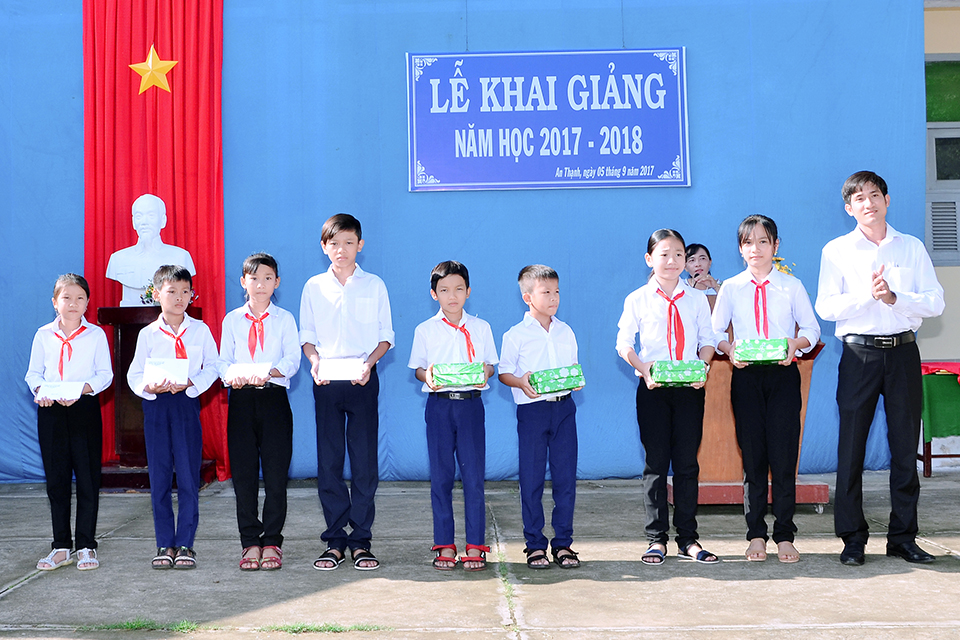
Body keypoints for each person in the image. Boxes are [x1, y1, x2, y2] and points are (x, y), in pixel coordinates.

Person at [816, 171, 945, 566]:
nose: (868, 203)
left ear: (887, 200)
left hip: (903, 353)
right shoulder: (836, 251)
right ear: (848, 208)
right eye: (859, 198)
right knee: (851, 448)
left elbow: (935, 301)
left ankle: (903, 538)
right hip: (859, 356)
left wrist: (894, 297)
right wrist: (866, 297)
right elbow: (826, 306)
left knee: (905, 448)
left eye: (874, 195)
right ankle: (853, 539)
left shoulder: (911, 247)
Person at [712, 215, 820, 563]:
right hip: (746, 377)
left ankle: (785, 536)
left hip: (783, 375)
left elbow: (812, 329)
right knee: (754, 458)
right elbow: (715, 332)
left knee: (784, 458)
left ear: (775, 245)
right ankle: (756, 535)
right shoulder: (731, 287)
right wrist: (728, 350)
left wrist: (795, 344)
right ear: (740, 248)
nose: (755, 249)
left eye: (763, 241)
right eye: (748, 242)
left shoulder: (791, 286)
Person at [616, 229, 719, 565]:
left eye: (678, 254)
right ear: (649, 259)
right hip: (653, 390)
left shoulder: (696, 299)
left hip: (690, 390)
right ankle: (656, 539)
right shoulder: (637, 299)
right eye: (664, 254)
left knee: (687, 464)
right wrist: (642, 368)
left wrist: (703, 368)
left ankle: (688, 539)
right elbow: (623, 343)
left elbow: (707, 340)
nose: (672, 260)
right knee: (656, 465)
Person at [300, 214, 394, 571]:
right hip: (326, 381)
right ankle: (336, 540)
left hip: (362, 379)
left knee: (365, 461)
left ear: (360, 245)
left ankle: (361, 540)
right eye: (334, 243)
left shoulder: (375, 285)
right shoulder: (313, 287)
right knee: (329, 461)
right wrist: (314, 362)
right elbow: (307, 336)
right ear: (324, 247)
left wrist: (369, 364)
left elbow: (386, 336)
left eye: (349, 243)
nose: (342, 250)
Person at [409, 261, 499, 571]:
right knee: (441, 477)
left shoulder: (481, 328)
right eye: (445, 290)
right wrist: (428, 376)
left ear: (468, 292)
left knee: (473, 477)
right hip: (439, 407)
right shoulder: (424, 330)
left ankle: (475, 545)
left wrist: (485, 372)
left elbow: (490, 366)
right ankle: (444, 544)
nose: (452, 296)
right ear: (433, 294)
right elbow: (419, 369)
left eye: (459, 289)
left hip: (470, 406)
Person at [127, 265, 219, 570]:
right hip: (156, 407)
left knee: (189, 476)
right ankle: (164, 542)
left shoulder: (201, 331)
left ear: (192, 295)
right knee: (160, 476)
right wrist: (148, 387)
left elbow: (213, 367)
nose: (179, 297)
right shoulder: (148, 334)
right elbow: (134, 374)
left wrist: (192, 383)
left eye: (185, 291)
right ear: (156, 294)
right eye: (172, 291)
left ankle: (185, 544)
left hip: (185, 404)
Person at [218, 253, 300, 571]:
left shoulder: (285, 319)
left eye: (268, 278)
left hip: (273, 399)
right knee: (244, 476)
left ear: (277, 282)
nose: (261, 284)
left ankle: (272, 542)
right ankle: (250, 542)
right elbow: (223, 362)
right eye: (254, 278)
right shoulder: (231, 320)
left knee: (276, 476)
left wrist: (269, 372)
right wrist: (232, 376)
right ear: (243, 282)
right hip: (241, 401)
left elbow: (292, 359)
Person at [26, 274, 113, 571]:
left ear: (87, 303)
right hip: (51, 412)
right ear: (55, 302)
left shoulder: (96, 336)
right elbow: (33, 374)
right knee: (57, 481)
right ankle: (61, 546)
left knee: (88, 479)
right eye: (66, 298)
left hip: (83, 409)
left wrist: (81, 389)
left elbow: (105, 375)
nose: (73, 304)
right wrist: (41, 391)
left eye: (79, 298)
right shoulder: (42, 335)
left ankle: (86, 545)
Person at [499, 264, 582, 570]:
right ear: (528, 297)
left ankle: (563, 544)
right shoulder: (515, 335)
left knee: (565, 479)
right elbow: (504, 373)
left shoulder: (566, 331)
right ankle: (534, 544)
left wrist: (575, 379)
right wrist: (520, 382)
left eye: (556, 291)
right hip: (532, 411)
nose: (554, 297)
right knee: (532, 478)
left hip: (564, 409)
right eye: (546, 292)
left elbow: (572, 367)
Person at [106, 194, 196, 306]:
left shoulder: (181, 257)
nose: (144, 222)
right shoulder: (118, 259)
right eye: (139, 216)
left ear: (163, 220)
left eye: (151, 216)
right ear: (133, 222)